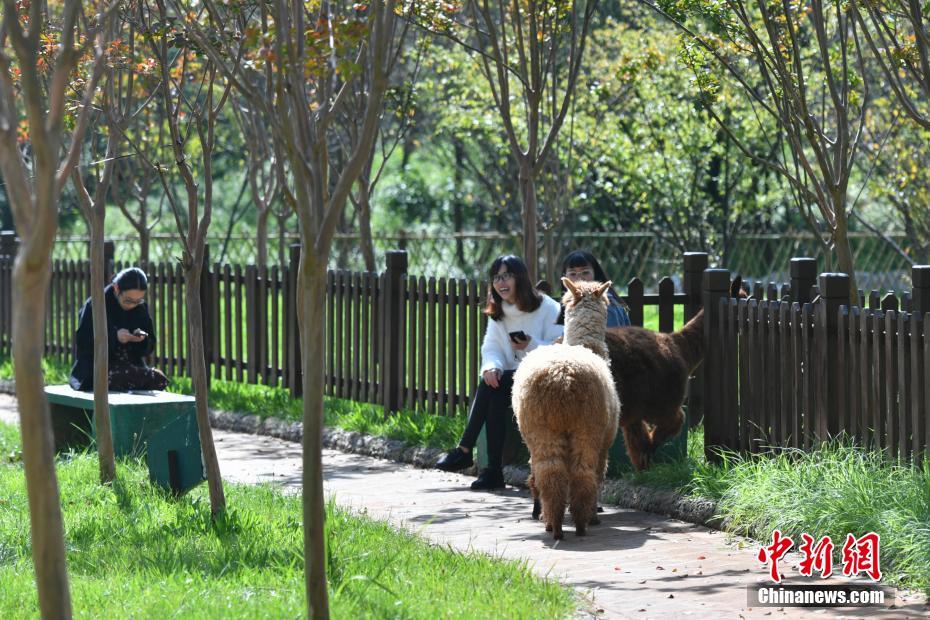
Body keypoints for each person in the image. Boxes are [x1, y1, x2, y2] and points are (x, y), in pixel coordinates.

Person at [435, 255, 563, 490]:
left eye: (506, 276)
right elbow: (491, 347)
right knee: (492, 388)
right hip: (511, 379)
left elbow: (561, 346)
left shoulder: (549, 308)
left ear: (520, 278)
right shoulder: (499, 311)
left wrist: (531, 344)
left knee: (492, 388)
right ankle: (491, 472)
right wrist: (491, 366)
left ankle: (466, 450)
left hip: (544, 377)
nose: (501, 282)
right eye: (496, 277)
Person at [69, 267, 168, 392]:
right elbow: (84, 344)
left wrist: (141, 340)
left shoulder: (140, 307)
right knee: (117, 377)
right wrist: (114, 337)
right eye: (128, 300)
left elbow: (148, 346)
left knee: (158, 379)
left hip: (130, 367)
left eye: (137, 301)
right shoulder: (96, 304)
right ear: (116, 289)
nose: (133, 305)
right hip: (97, 369)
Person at [560, 250, 631, 327]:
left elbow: (610, 337)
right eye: (573, 274)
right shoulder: (570, 304)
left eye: (585, 272)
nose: (579, 278)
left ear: (595, 274)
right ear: (565, 278)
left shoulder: (606, 304)